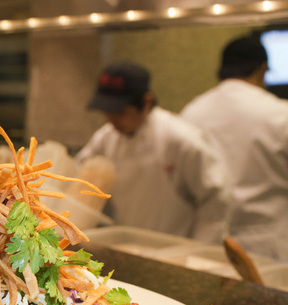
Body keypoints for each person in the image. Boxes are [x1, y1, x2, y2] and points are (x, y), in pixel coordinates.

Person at [75, 61, 230, 243]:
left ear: (146, 102)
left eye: (120, 112)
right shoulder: (106, 138)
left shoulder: (181, 140)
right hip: (127, 244)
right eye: (108, 112)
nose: (112, 119)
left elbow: (215, 199)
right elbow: (79, 175)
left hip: (176, 250)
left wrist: (199, 252)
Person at [181, 36, 288, 262]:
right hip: (268, 244)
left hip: (208, 242)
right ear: (263, 69)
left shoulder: (192, 111)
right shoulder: (279, 114)